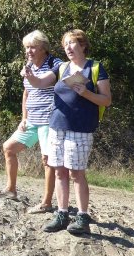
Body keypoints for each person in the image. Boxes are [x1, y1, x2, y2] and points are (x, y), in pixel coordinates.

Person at [43, 29, 112, 235]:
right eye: (65, 44)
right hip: (57, 126)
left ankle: (82, 216)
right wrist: (30, 76)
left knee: (76, 173)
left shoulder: (96, 68)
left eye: (72, 43)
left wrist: (86, 93)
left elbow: (106, 100)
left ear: (83, 45)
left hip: (81, 129)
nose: (68, 47)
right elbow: (39, 83)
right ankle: (62, 213)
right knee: (59, 171)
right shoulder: (62, 67)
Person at [0, 30, 61, 213]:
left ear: (43, 48)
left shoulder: (56, 64)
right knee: (9, 147)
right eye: (26, 48)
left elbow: (44, 83)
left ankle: (46, 203)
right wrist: (23, 117)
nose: (28, 51)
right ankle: (11, 189)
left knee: (48, 160)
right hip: (32, 120)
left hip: (50, 120)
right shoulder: (29, 64)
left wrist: (29, 75)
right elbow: (27, 92)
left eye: (32, 47)